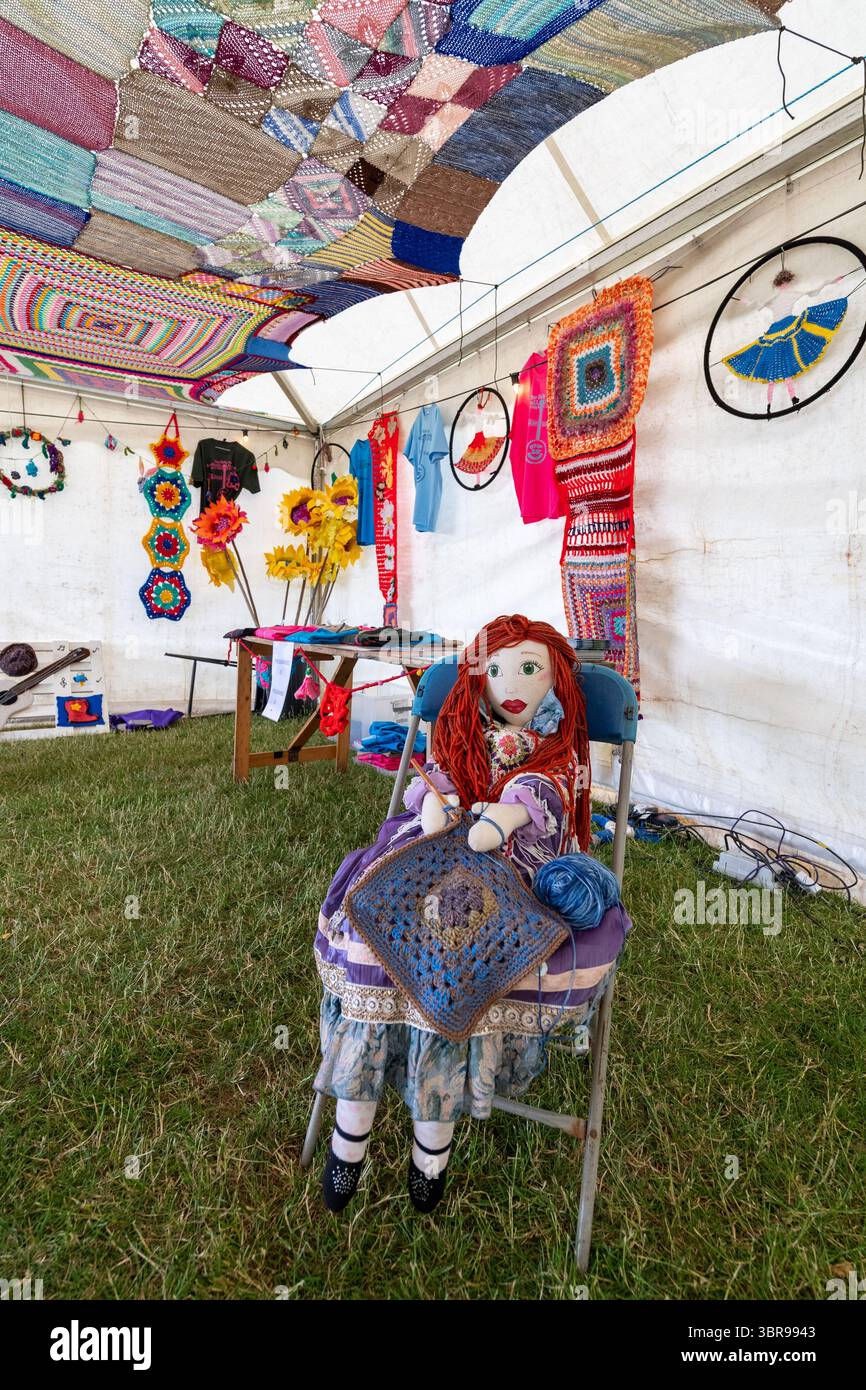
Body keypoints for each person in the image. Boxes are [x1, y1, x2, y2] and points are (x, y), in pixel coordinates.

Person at [312, 614, 630, 1213]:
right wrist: (437, 801)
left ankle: (429, 1155)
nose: (512, 681)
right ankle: (346, 1142)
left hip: (515, 863)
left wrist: (503, 817)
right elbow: (437, 780)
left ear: (556, 679)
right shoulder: (459, 729)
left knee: (459, 944)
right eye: (497, 669)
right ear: (476, 678)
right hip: (433, 846)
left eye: (531, 669)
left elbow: (548, 798)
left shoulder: (557, 750)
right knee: (370, 932)